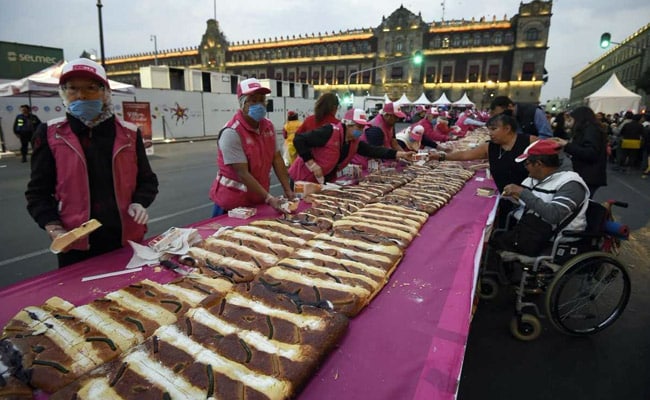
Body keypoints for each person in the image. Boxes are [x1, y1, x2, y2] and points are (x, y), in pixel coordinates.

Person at [25, 58, 159, 268]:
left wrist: (139, 201)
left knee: (133, 294)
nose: (81, 95)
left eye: (90, 88)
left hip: (125, 239)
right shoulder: (50, 134)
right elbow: (38, 193)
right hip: (76, 244)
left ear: (105, 92)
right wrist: (53, 227)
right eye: (72, 89)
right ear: (63, 93)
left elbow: (147, 180)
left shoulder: (129, 134)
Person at [429, 113, 537, 228]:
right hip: (506, 197)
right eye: (489, 129)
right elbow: (465, 155)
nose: (490, 133)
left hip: (530, 200)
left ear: (507, 128)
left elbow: (550, 164)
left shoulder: (530, 142)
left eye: (494, 129)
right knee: (507, 224)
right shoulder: (490, 146)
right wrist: (441, 157)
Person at [209, 77, 294, 216]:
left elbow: (277, 158)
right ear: (242, 103)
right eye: (253, 100)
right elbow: (242, 173)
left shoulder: (268, 127)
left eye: (262, 100)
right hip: (233, 204)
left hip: (258, 198)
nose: (259, 105)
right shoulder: (232, 132)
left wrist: (288, 190)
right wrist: (269, 198)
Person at [491, 139, 589, 256]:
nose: (525, 167)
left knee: (492, 247)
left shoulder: (571, 183)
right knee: (492, 239)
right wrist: (515, 196)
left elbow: (554, 215)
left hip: (552, 239)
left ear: (538, 164)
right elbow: (533, 201)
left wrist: (522, 193)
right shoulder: (535, 177)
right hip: (531, 230)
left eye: (526, 163)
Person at [289, 108, 414, 183]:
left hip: (322, 179)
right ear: (348, 124)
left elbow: (372, 150)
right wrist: (311, 163)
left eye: (362, 127)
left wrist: (400, 154)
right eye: (358, 127)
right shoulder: (329, 131)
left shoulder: (354, 141)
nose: (360, 131)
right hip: (302, 177)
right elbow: (299, 140)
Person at [553, 106, 608, 198]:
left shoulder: (590, 130)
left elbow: (590, 153)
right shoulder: (589, 129)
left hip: (588, 175)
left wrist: (567, 145)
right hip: (588, 174)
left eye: (571, 119)